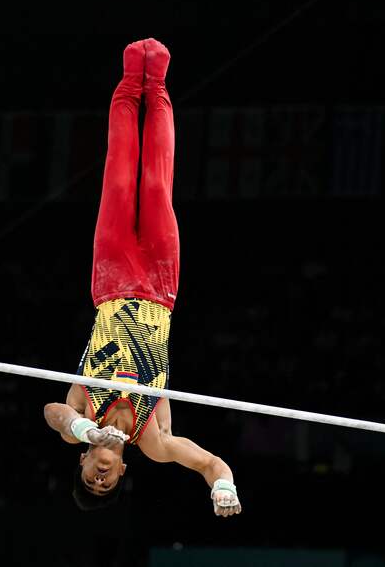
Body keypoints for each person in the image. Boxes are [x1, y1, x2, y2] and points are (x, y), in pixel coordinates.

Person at [44, 38, 242, 517]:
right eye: (105, 486)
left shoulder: (81, 412)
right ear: (122, 473)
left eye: (90, 477)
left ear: (85, 458)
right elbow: (211, 463)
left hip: (110, 282)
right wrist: (223, 487)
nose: (100, 477)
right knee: (157, 178)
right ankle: (158, 84)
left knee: (118, 173)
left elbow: (53, 414)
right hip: (159, 286)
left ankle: (133, 80)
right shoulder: (152, 438)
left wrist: (85, 429)